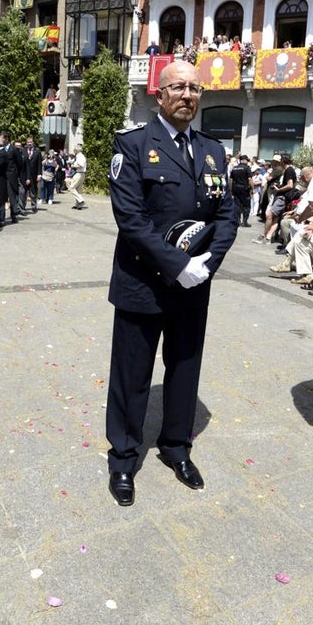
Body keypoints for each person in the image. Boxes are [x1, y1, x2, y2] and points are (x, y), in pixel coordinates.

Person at [104, 60, 238, 506]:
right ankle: (124, 458)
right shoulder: (134, 145)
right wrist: (179, 265)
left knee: (184, 370)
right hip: (142, 284)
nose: (187, 95)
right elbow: (131, 218)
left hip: (193, 287)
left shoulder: (212, 151)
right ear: (158, 94)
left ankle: (177, 447)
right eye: (178, 87)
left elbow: (227, 214)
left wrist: (207, 264)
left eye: (195, 88)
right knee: (132, 376)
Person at [229, 154, 253, 227]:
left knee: (237, 205)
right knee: (246, 205)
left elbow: (231, 180)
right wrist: (252, 189)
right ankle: (244, 222)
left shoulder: (234, 168)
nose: (247, 162)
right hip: (244, 189)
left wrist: (231, 190)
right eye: (247, 160)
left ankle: (238, 221)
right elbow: (250, 179)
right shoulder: (247, 168)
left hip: (236, 188)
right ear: (244, 160)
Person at [21, 136, 43, 213]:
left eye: (31, 142)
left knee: (33, 191)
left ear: (33, 142)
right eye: (28, 142)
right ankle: (22, 207)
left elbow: (39, 164)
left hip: (34, 175)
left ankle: (34, 206)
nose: (29, 143)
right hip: (24, 175)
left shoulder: (37, 151)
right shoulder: (23, 150)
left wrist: (39, 174)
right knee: (24, 192)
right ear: (26, 143)